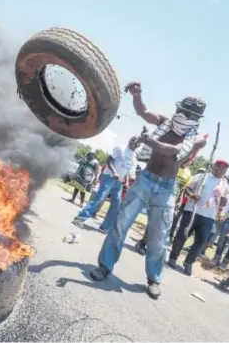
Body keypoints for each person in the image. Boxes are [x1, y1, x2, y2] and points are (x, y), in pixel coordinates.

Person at [89, 81, 207, 300]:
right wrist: (137, 94)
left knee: (159, 236)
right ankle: (105, 266)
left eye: (188, 113)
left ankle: (154, 279)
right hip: (145, 179)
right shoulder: (164, 122)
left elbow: (173, 150)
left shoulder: (197, 140)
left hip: (167, 187)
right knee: (120, 223)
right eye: (181, 109)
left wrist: (150, 141)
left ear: (196, 118)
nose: (182, 114)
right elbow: (143, 111)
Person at [168, 160, 229, 275]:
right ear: (213, 166)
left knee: (200, 241)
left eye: (223, 168)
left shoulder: (225, 186)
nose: (220, 170)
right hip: (192, 211)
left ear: (225, 171)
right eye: (218, 166)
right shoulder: (202, 177)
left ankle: (188, 263)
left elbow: (222, 204)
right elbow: (187, 189)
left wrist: (223, 201)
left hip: (209, 217)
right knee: (182, 235)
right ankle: (173, 258)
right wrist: (192, 195)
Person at [71, 137, 139, 233]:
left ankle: (105, 227)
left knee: (116, 203)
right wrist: (114, 172)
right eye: (134, 142)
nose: (136, 144)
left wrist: (126, 182)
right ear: (130, 141)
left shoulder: (133, 156)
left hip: (119, 182)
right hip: (109, 177)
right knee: (100, 198)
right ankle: (79, 218)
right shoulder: (121, 148)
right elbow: (109, 160)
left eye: (138, 144)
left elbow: (127, 169)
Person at [134, 161, 194, 255]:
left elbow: (184, 189)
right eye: (187, 159)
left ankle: (149, 244)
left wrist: (179, 200)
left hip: (172, 201)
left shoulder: (188, 174)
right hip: (159, 196)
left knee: (162, 225)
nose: (188, 161)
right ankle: (142, 243)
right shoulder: (172, 165)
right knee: (154, 221)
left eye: (190, 160)